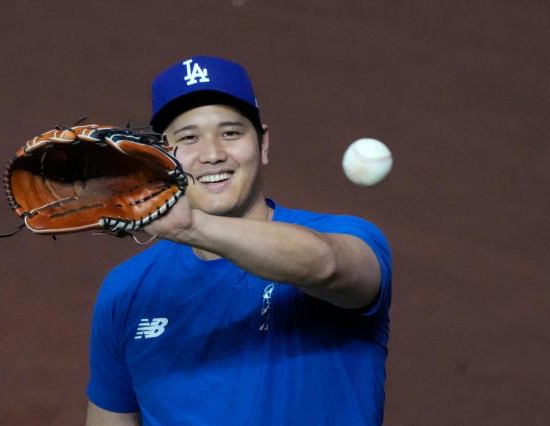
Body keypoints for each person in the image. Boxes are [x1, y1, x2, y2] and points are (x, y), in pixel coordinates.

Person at [85, 56, 392, 426]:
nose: (213, 154)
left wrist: (191, 227)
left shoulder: (346, 237)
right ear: (161, 158)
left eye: (231, 132)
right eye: (188, 138)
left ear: (262, 144)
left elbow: (325, 265)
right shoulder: (125, 292)